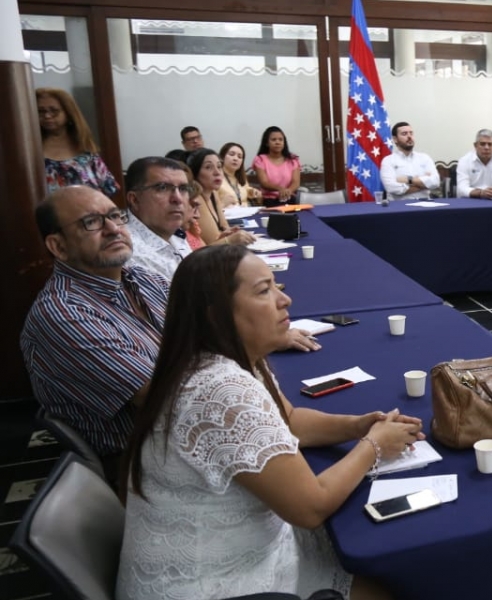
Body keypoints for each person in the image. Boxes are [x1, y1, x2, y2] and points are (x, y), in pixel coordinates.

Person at [117, 245, 416, 600]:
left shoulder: (222, 358)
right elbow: (310, 507)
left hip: (227, 559)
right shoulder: (223, 388)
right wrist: (375, 446)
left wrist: (356, 426)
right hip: (211, 586)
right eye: (263, 291)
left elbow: (289, 421)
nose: (283, 300)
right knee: (401, 585)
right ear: (216, 315)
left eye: (277, 286)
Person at [22, 186, 169, 484]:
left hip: (182, 435)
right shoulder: (64, 314)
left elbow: (210, 330)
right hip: (142, 466)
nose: (114, 229)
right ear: (58, 247)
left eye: (115, 216)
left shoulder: (139, 278)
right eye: (92, 222)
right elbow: (162, 399)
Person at [37, 88, 118, 197]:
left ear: (68, 113)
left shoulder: (85, 148)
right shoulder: (32, 148)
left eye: (54, 111)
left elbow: (110, 187)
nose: (47, 116)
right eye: (41, 111)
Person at [123, 156, 194, 280]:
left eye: (183, 189)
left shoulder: (170, 231)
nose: (177, 199)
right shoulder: (128, 252)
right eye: (163, 188)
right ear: (134, 199)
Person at [187, 148, 255, 246]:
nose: (217, 172)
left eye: (219, 167)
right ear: (195, 173)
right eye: (208, 167)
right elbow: (212, 242)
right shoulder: (197, 200)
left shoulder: (213, 193)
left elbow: (224, 227)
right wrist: (230, 239)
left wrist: (231, 233)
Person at [381, 121, 439, 200]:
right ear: (395, 139)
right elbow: (392, 188)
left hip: (425, 204)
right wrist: (424, 184)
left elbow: (435, 182)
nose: (409, 136)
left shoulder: (425, 158)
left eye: (411, 133)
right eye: (404, 134)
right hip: (399, 207)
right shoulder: (388, 161)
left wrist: (409, 180)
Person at [457, 128, 492, 199]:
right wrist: (481, 193)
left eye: (490, 144)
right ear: (475, 145)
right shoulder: (464, 161)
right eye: (482, 144)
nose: (486, 147)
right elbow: (461, 189)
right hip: (471, 201)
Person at [253, 126, 302, 206]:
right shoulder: (260, 160)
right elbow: (264, 183)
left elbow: (296, 182)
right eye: (273, 140)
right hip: (269, 200)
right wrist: (280, 189)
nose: (277, 142)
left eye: (280, 139)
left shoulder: (293, 159)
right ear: (267, 143)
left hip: (290, 198)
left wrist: (288, 191)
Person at [218, 142, 263, 208]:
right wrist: (222, 204)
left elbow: (245, 189)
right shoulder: (215, 177)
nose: (235, 159)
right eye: (231, 154)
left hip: (244, 213)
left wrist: (252, 192)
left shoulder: (241, 177)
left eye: (239, 157)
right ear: (222, 157)